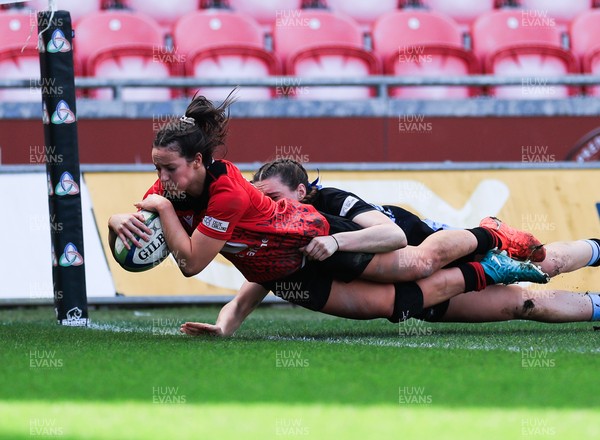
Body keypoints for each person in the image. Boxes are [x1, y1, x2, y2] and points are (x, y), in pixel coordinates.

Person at [108, 94, 549, 323]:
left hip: (312, 234)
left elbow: (191, 264)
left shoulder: (228, 190)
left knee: (416, 263)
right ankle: (490, 269)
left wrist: (162, 211)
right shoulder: (170, 187)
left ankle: (490, 238)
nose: (161, 180)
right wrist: (115, 220)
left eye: (167, 169)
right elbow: (150, 216)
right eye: (156, 169)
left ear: (198, 162)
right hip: (286, 270)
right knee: (391, 307)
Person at [178, 160, 600, 336]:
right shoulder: (280, 233)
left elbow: (393, 237)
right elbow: (257, 284)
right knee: (523, 306)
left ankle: (496, 235)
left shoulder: (331, 203)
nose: (272, 207)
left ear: (303, 190)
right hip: (415, 289)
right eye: (264, 200)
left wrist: (336, 240)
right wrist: (225, 325)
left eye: (276, 197)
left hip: (436, 248)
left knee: (551, 263)